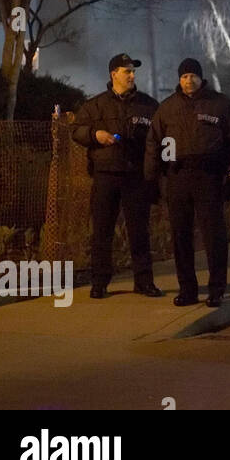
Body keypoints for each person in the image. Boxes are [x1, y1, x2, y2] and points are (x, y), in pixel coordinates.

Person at [145, 59, 230, 308]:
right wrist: (151, 179)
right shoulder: (167, 108)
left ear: (201, 78)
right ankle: (187, 290)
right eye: (184, 76)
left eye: (193, 76)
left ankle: (216, 289)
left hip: (208, 177)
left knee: (214, 236)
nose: (189, 81)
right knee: (180, 237)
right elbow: (153, 144)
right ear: (179, 80)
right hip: (177, 178)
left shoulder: (220, 104)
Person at [71, 54, 164, 300]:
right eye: (127, 71)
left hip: (136, 176)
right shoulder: (95, 105)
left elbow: (161, 137)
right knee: (102, 231)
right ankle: (100, 283)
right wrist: (95, 134)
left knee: (139, 231)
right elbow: (76, 131)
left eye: (133, 71)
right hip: (105, 176)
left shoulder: (149, 105)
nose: (132, 76)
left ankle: (144, 282)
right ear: (114, 74)